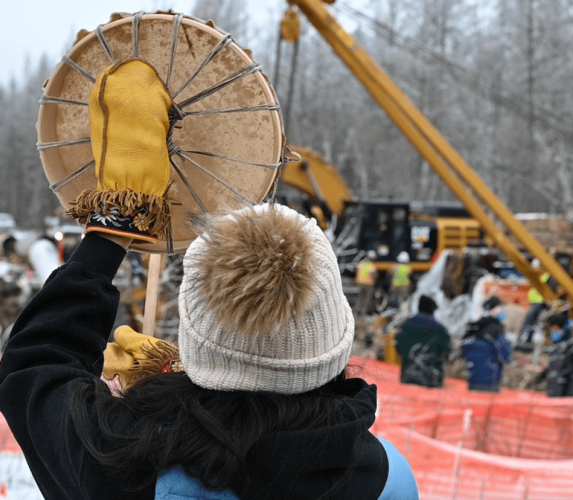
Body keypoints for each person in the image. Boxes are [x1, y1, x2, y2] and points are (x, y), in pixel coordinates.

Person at [0, 59, 417, 499]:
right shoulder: (390, 480)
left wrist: (115, 222)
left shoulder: (122, 465)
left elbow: (33, 366)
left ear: (201, 348)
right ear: (333, 347)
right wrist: (177, 384)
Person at [394, 295, 451, 388]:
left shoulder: (405, 325)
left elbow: (397, 345)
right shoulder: (440, 329)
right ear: (432, 309)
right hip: (432, 378)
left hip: (408, 375)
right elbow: (447, 350)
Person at [460, 296, 512, 392]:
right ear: (494, 309)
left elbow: (463, 351)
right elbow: (505, 354)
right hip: (490, 381)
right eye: (500, 307)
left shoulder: (474, 328)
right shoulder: (496, 330)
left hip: (473, 379)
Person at [540, 311, 573, 397]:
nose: (553, 332)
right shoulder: (558, 347)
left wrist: (570, 398)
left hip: (565, 398)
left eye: (556, 329)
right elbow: (555, 368)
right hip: (554, 394)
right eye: (552, 329)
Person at [517, 258, 549, 348]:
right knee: (531, 321)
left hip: (540, 302)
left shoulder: (545, 276)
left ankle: (525, 338)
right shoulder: (537, 276)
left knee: (531, 321)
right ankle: (526, 338)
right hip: (534, 301)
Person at [355, 250, 378, 315]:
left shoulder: (360, 264)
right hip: (368, 284)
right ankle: (363, 312)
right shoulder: (371, 265)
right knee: (367, 299)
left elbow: (357, 273)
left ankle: (357, 310)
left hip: (360, 284)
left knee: (360, 297)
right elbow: (375, 275)